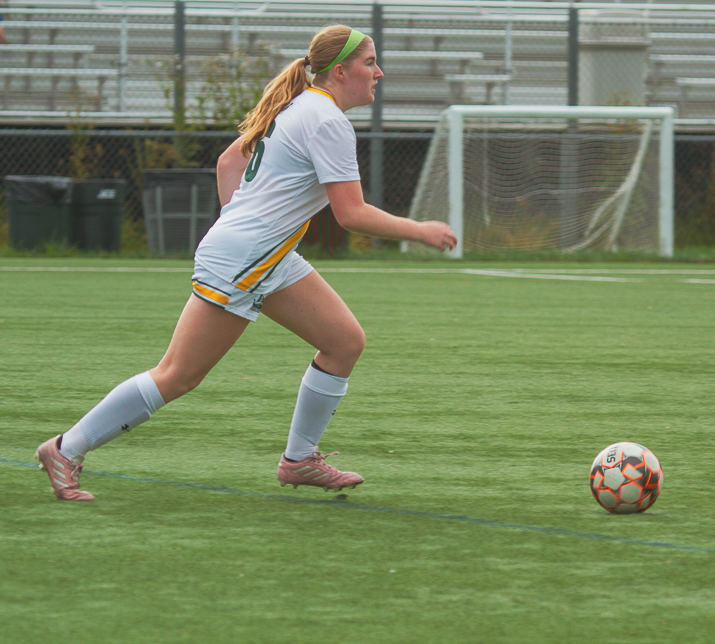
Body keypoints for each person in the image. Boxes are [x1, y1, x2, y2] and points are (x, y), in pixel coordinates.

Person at [36, 24, 458, 501]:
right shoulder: (327, 120)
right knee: (178, 374)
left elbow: (228, 162)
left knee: (344, 342)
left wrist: (241, 225)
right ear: (340, 71)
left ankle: (299, 460)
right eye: (370, 63)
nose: (378, 73)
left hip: (262, 257)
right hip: (246, 260)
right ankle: (66, 449)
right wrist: (419, 230)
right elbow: (351, 215)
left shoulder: (301, 105)